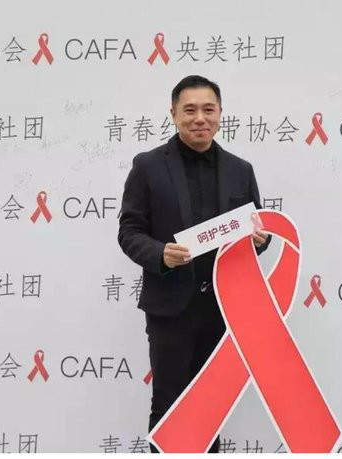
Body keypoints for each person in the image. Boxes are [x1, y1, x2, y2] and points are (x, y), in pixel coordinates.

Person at [118, 75, 270, 453]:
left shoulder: (241, 169)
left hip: (222, 310)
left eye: (208, 109)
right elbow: (130, 231)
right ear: (173, 114)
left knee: (211, 408)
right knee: (169, 407)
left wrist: (260, 241)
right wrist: (159, 254)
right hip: (170, 309)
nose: (199, 118)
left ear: (220, 114)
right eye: (189, 110)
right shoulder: (148, 166)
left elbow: (253, 233)